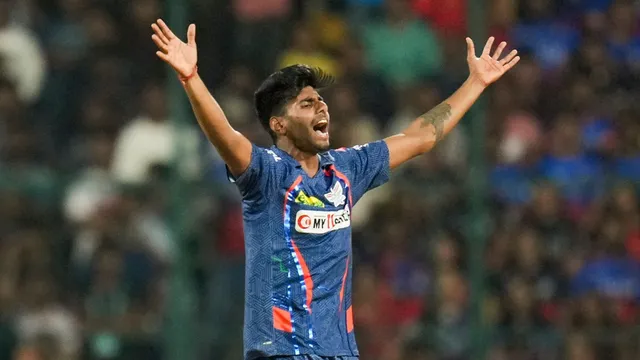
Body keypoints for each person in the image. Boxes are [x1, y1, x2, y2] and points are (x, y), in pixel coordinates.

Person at [150, 18, 519, 360]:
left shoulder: (346, 168)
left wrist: (476, 82)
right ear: (278, 124)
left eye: (321, 100)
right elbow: (226, 137)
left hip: (340, 352)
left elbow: (420, 137)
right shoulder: (267, 174)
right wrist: (191, 78)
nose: (322, 107)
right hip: (281, 350)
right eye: (307, 104)